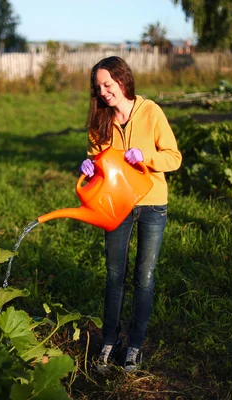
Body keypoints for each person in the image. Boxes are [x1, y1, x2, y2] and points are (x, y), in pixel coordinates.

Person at [79, 56, 182, 373]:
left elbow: (173, 157)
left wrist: (146, 158)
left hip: (152, 203)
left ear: (123, 80)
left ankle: (135, 346)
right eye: (98, 87)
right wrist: (89, 168)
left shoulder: (150, 112)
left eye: (107, 85)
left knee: (144, 277)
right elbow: (97, 166)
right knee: (114, 275)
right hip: (117, 205)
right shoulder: (101, 120)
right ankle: (109, 342)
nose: (104, 92)